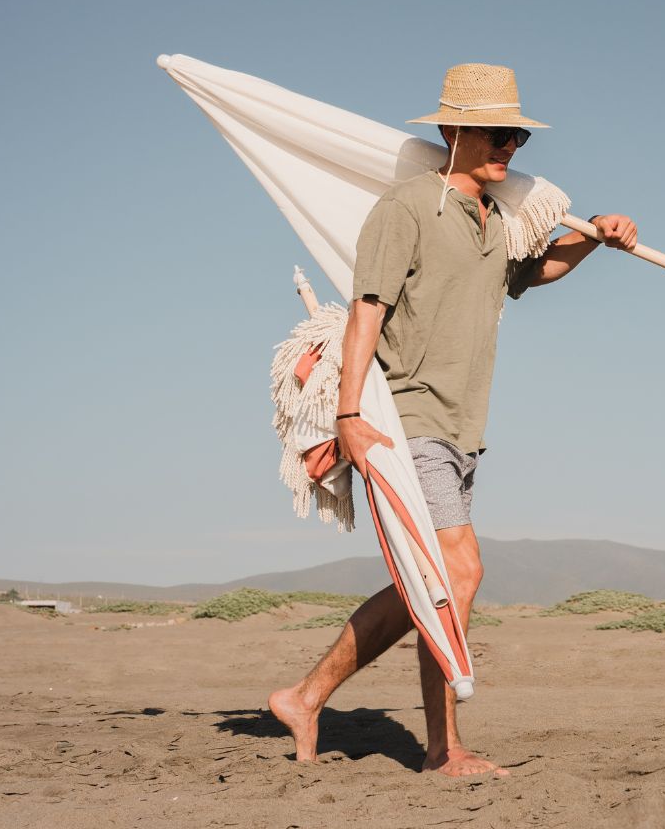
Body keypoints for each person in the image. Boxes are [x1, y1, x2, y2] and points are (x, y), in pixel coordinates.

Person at [269, 63, 637, 777]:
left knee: (430, 581)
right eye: (496, 133)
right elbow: (366, 310)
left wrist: (597, 235)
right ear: (452, 131)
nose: (509, 145)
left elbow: (534, 274)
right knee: (456, 574)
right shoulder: (407, 207)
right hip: (406, 418)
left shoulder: (493, 222)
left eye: (518, 137)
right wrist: (349, 412)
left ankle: (306, 696)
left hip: (463, 426)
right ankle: (443, 750)